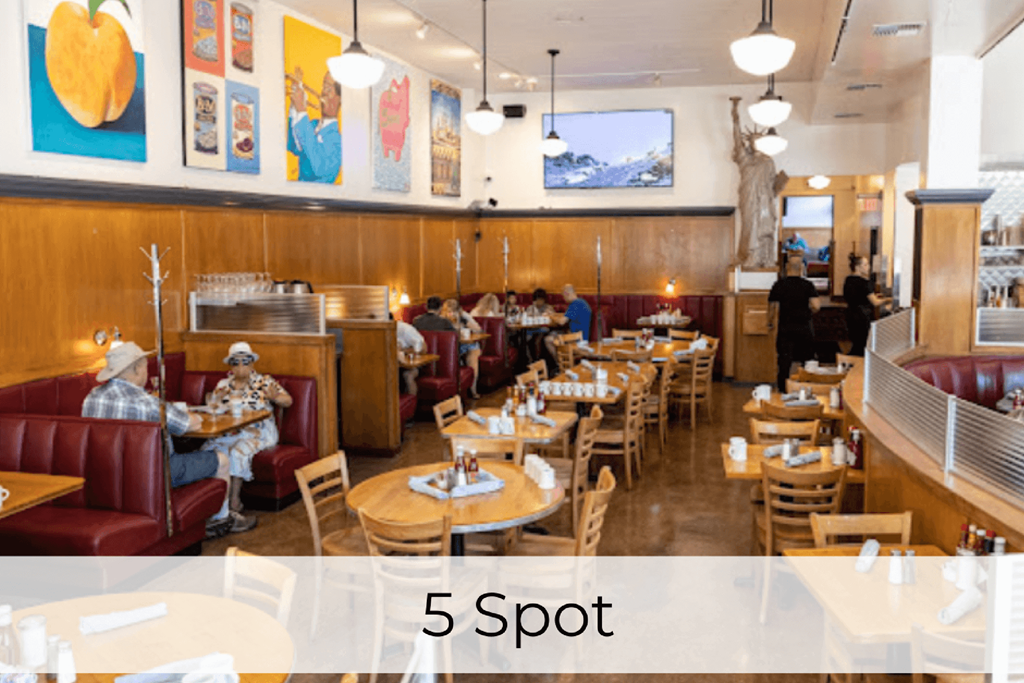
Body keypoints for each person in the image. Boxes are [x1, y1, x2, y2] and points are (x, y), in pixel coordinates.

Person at [81, 342, 252, 538]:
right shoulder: (147, 403)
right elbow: (191, 425)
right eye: (145, 365)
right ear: (137, 368)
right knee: (222, 459)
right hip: (154, 472)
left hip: (106, 474)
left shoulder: (92, 397)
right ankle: (220, 521)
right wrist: (187, 414)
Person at [203, 343, 292, 523]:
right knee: (208, 450)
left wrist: (273, 397)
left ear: (252, 364)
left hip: (258, 432)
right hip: (228, 432)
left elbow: (288, 400)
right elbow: (211, 407)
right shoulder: (223, 385)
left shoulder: (264, 382)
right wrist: (214, 401)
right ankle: (213, 505)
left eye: (246, 361)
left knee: (237, 451)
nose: (241, 366)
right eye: (236, 362)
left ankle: (233, 503)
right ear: (231, 365)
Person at [768, 258, 821, 392]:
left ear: (786, 268)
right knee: (807, 361)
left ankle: (782, 389)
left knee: (784, 361)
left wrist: (769, 323)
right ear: (802, 268)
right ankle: (806, 389)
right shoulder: (807, 285)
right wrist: (808, 310)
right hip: (804, 327)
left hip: (785, 327)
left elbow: (772, 308)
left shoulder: (779, 285)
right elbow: (816, 306)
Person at [287, 68, 342, 183]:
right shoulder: (312, 125)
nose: (323, 92)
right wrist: (294, 107)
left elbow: (318, 167)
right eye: (323, 86)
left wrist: (301, 109)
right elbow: (292, 146)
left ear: (340, 99)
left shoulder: (339, 142)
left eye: (329, 88)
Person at [844, 253, 891, 356]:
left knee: (856, 343)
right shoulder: (864, 282)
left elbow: (858, 296)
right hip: (862, 316)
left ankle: (851, 364)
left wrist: (875, 296)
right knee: (863, 344)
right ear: (857, 267)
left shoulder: (848, 280)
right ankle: (858, 367)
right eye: (865, 265)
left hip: (851, 314)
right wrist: (888, 299)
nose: (868, 267)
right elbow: (875, 302)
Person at [442, 299, 483, 399]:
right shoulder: (442, 321)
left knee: (473, 357)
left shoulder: (463, 318)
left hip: (467, 345)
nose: (450, 314)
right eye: (448, 312)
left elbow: (478, 329)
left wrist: (463, 318)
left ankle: (473, 390)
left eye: (453, 311)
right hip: (451, 348)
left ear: (458, 311)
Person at [544, 284, 592, 359]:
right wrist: (554, 314)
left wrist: (550, 316)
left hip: (576, 339)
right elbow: (566, 315)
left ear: (566, 293)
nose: (564, 299)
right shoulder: (582, 302)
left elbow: (561, 321)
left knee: (548, 340)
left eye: (563, 296)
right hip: (582, 337)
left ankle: (561, 363)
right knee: (553, 334)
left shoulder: (575, 304)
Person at [395, 316, 425, 395]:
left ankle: (411, 404)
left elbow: (423, 347)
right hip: (397, 365)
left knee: (408, 376)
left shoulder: (406, 330)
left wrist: (404, 351)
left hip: (413, 365)